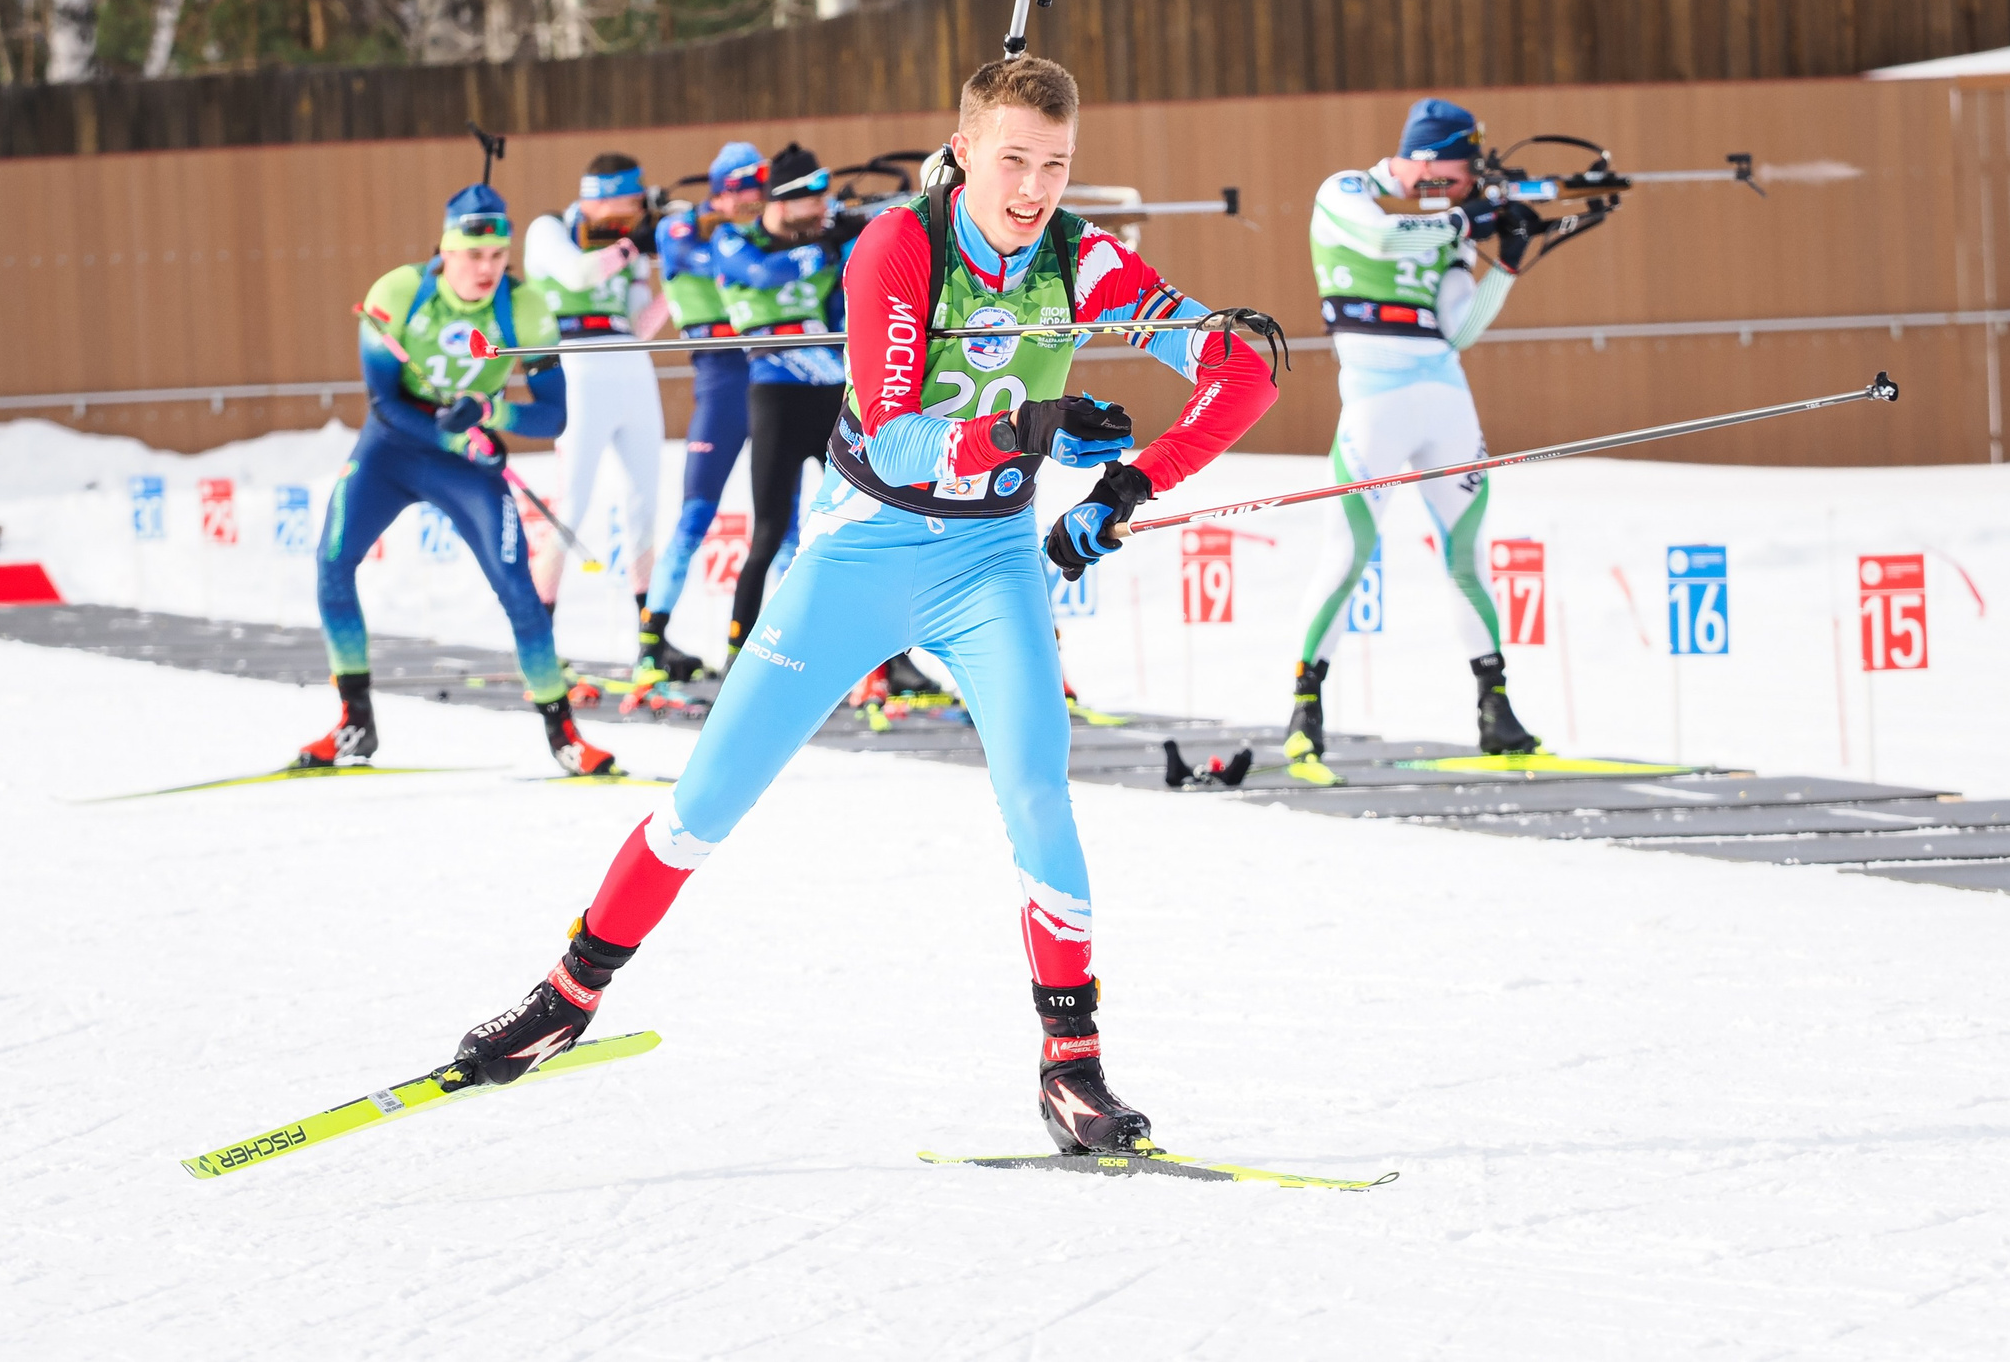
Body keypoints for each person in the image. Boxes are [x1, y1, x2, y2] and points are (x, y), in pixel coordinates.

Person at [447, 56, 1279, 1152]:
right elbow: (892, 430)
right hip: (859, 553)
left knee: (1038, 789)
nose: (1033, 188)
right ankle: (567, 998)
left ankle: (1070, 1068)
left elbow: (1245, 373)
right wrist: (1027, 430)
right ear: (966, 150)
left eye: (1057, 165)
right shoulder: (901, 246)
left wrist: (1128, 486)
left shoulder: (1084, 258)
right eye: (1014, 160)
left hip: (990, 564)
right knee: (706, 802)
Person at [297, 182, 616, 778]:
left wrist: (489, 414)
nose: (488, 269)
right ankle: (354, 722)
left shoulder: (527, 309)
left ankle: (563, 735)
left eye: (499, 257)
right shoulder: (396, 294)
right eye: (474, 256)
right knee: (333, 562)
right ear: (445, 252)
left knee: (518, 590)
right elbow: (385, 402)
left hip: (467, 465)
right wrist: (453, 433)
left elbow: (554, 414)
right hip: (391, 452)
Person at [1285, 96, 1544, 764]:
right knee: (1347, 555)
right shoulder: (1346, 191)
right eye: (1462, 172)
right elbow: (1379, 238)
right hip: (1375, 402)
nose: (1470, 185)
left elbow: (1461, 326)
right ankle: (1305, 708)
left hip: (1447, 401)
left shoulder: (1446, 222)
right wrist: (1466, 217)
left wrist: (1506, 264)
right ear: (1427, 160)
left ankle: (1497, 708)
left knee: (1466, 558)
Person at [713, 142, 859, 659]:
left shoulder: (829, 233)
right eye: (812, 202)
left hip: (833, 397)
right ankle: (737, 655)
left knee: (866, 530)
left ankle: (883, 669)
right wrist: (823, 248)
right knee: (770, 532)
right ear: (784, 200)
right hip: (775, 395)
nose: (823, 212)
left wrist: (852, 237)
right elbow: (763, 273)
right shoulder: (734, 238)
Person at [633, 142, 770, 683]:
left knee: (781, 524)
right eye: (741, 193)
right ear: (719, 191)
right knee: (695, 516)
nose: (752, 203)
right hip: (719, 376)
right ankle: (651, 640)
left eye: (758, 192)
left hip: (766, 370)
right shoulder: (679, 229)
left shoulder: (752, 230)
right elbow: (704, 258)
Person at [522, 153, 668, 626]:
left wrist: (678, 276)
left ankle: (650, 632)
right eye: (631, 201)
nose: (637, 213)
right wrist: (631, 247)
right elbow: (578, 274)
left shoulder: (629, 244)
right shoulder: (548, 228)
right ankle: (540, 624)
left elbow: (642, 324)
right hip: (576, 363)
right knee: (573, 503)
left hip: (630, 363)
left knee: (645, 501)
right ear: (603, 196)